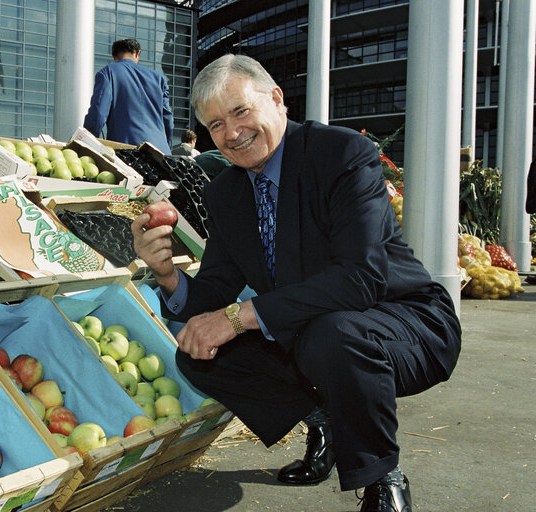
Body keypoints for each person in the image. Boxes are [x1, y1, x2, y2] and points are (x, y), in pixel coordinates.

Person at [131, 54, 461, 512]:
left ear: (277, 99)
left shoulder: (341, 155)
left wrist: (239, 317)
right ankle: (320, 417)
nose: (231, 133)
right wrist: (166, 274)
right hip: (310, 332)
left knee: (333, 335)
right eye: (215, 125)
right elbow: (216, 289)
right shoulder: (225, 192)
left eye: (241, 111)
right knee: (197, 354)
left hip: (402, 321)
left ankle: (382, 477)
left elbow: (359, 280)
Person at [83, 38, 173, 155]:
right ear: (137, 53)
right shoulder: (159, 78)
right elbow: (168, 119)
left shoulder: (108, 73)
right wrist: (165, 145)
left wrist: (86, 143)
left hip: (127, 152)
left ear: (114, 56)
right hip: (161, 152)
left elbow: (98, 114)